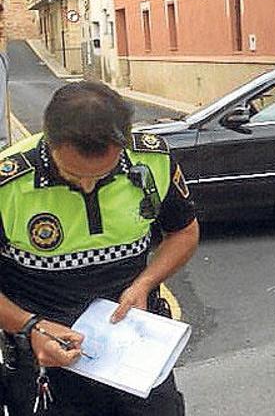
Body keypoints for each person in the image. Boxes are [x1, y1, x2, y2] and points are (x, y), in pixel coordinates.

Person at [0, 81, 199, 415]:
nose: (88, 184)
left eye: (102, 174)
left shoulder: (152, 160)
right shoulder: (8, 183)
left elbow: (184, 232)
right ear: (49, 141)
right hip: (45, 365)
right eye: (74, 175)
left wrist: (145, 283)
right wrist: (30, 326)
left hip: (135, 356)